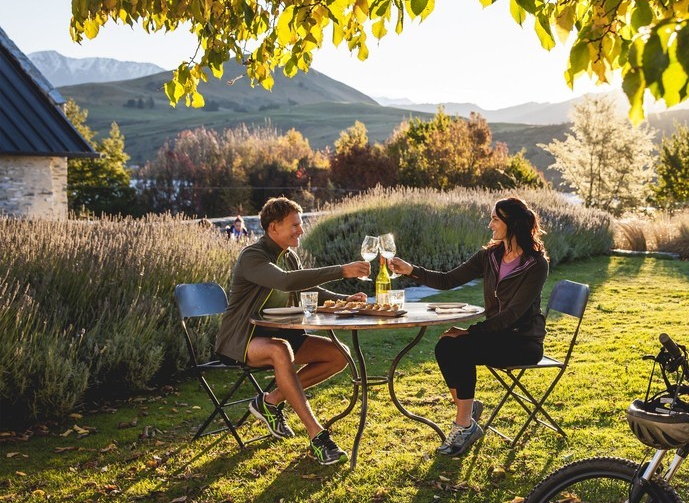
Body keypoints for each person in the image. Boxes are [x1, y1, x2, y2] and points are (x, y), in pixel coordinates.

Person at [215, 197, 371, 465]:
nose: (301, 230)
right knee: (280, 350)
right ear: (273, 227)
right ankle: (318, 436)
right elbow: (286, 282)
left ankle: (271, 400)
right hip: (244, 338)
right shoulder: (252, 256)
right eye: (295, 225)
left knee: (339, 355)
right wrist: (341, 271)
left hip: (283, 333)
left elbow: (306, 290)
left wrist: (342, 300)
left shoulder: (289, 256)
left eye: (300, 224)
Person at [389, 197, 549, 457]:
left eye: (495, 219)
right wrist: (410, 270)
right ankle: (468, 410)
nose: (490, 224)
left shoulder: (536, 265)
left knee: (458, 347)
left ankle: (463, 426)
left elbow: (512, 314)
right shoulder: (490, 256)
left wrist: (470, 332)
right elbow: (447, 280)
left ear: (512, 223)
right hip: (495, 337)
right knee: (445, 345)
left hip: (523, 343)